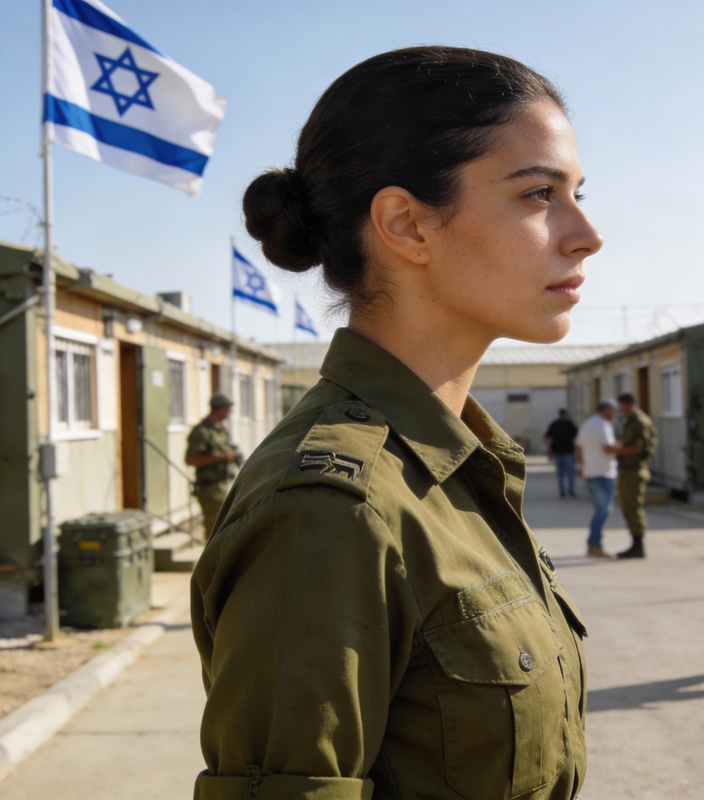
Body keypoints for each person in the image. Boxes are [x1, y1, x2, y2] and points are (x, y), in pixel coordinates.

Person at [191, 46, 603, 800]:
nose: (586, 234)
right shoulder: (332, 510)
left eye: (576, 193)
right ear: (407, 225)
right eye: (540, 195)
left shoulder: (455, 468)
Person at [185, 394, 240, 540]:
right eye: (227, 408)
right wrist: (222, 457)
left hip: (223, 485)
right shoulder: (202, 431)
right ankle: (211, 563)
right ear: (219, 409)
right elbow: (191, 459)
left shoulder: (220, 429)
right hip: (210, 489)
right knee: (214, 533)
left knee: (226, 530)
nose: (230, 412)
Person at [615, 392, 658, 559]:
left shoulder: (639, 422)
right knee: (628, 508)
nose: (620, 410)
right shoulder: (631, 421)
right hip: (627, 470)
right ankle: (635, 544)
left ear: (628, 404)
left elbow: (638, 448)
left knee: (633, 508)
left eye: (621, 406)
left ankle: (638, 546)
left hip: (634, 470)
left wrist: (615, 450)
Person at [575, 400, 619, 558]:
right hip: (604, 473)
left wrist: (582, 466)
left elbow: (578, 447)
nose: (614, 414)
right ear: (606, 410)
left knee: (601, 510)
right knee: (604, 510)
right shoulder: (603, 425)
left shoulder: (587, 424)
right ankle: (595, 545)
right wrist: (626, 448)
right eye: (613, 411)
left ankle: (594, 544)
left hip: (592, 472)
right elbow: (607, 448)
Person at [545, 408, 578, 497]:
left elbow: (575, 438)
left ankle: (571, 490)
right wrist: (549, 450)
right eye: (562, 414)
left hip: (569, 452)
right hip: (558, 452)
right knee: (560, 473)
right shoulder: (555, 425)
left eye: (564, 414)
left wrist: (576, 450)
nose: (563, 416)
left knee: (570, 473)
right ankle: (562, 491)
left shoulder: (570, 425)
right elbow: (549, 438)